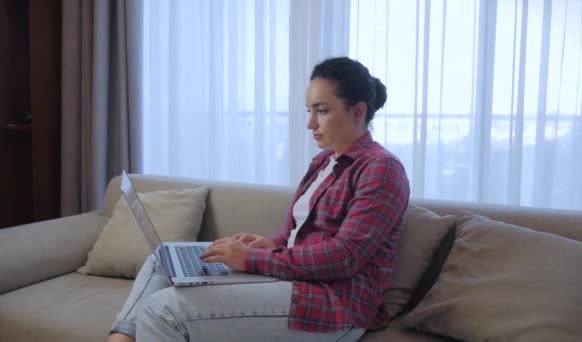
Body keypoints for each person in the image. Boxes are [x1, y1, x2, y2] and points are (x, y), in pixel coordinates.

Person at [107, 56, 410, 342]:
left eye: (323, 110)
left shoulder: (381, 168)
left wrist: (251, 259)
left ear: (358, 111)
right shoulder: (323, 162)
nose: (310, 123)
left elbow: (344, 256)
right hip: (296, 282)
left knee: (164, 310)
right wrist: (274, 243)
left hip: (335, 305)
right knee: (163, 260)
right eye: (309, 110)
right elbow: (301, 233)